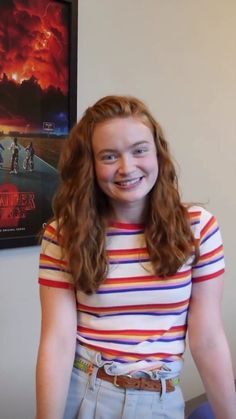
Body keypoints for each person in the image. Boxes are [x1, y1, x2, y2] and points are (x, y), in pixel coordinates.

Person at [36, 95, 236, 419]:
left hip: (162, 399)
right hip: (86, 394)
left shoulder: (198, 228)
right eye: (109, 156)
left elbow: (209, 339)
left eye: (139, 149)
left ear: (157, 152)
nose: (127, 168)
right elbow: (57, 342)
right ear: (91, 165)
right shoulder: (63, 235)